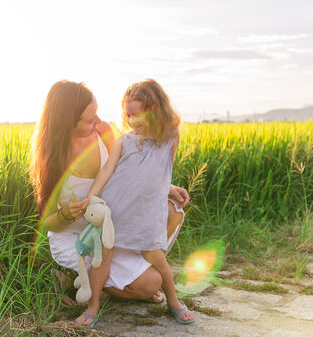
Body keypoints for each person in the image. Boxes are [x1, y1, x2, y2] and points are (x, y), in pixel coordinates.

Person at [29, 80, 190, 327]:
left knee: (153, 274)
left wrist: (167, 187)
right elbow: (47, 222)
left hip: (111, 221)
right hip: (74, 233)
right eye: (89, 119)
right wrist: (65, 214)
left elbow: (127, 170)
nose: (98, 123)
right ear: (67, 122)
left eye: (97, 115)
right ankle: (77, 277)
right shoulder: (53, 160)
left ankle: (99, 281)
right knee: (135, 277)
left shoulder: (104, 132)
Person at [87, 78, 194, 324]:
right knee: (103, 256)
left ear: (155, 110)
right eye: (128, 115)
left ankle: (173, 301)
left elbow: (162, 172)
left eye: (138, 115)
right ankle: (93, 305)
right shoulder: (124, 141)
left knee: (157, 258)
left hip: (146, 212)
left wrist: (168, 189)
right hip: (115, 209)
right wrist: (92, 197)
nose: (132, 121)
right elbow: (107, 171)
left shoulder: (170, 137)